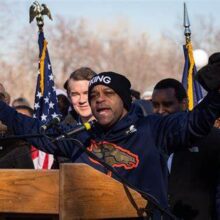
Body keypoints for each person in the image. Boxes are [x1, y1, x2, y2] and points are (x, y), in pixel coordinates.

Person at [0, 67, 220, 218]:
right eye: (94, 95)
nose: (99, 98)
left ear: (124, 100)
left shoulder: (153, 129)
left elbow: (195, 123)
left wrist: (216, 93)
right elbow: (30, 128)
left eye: (108, 93)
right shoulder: (79, 137)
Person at [151, 78, 220, 220]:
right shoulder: (146, 138)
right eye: (155, 105)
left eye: (167, 104)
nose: (160, 111)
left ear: (184, 104)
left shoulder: (214, 139)